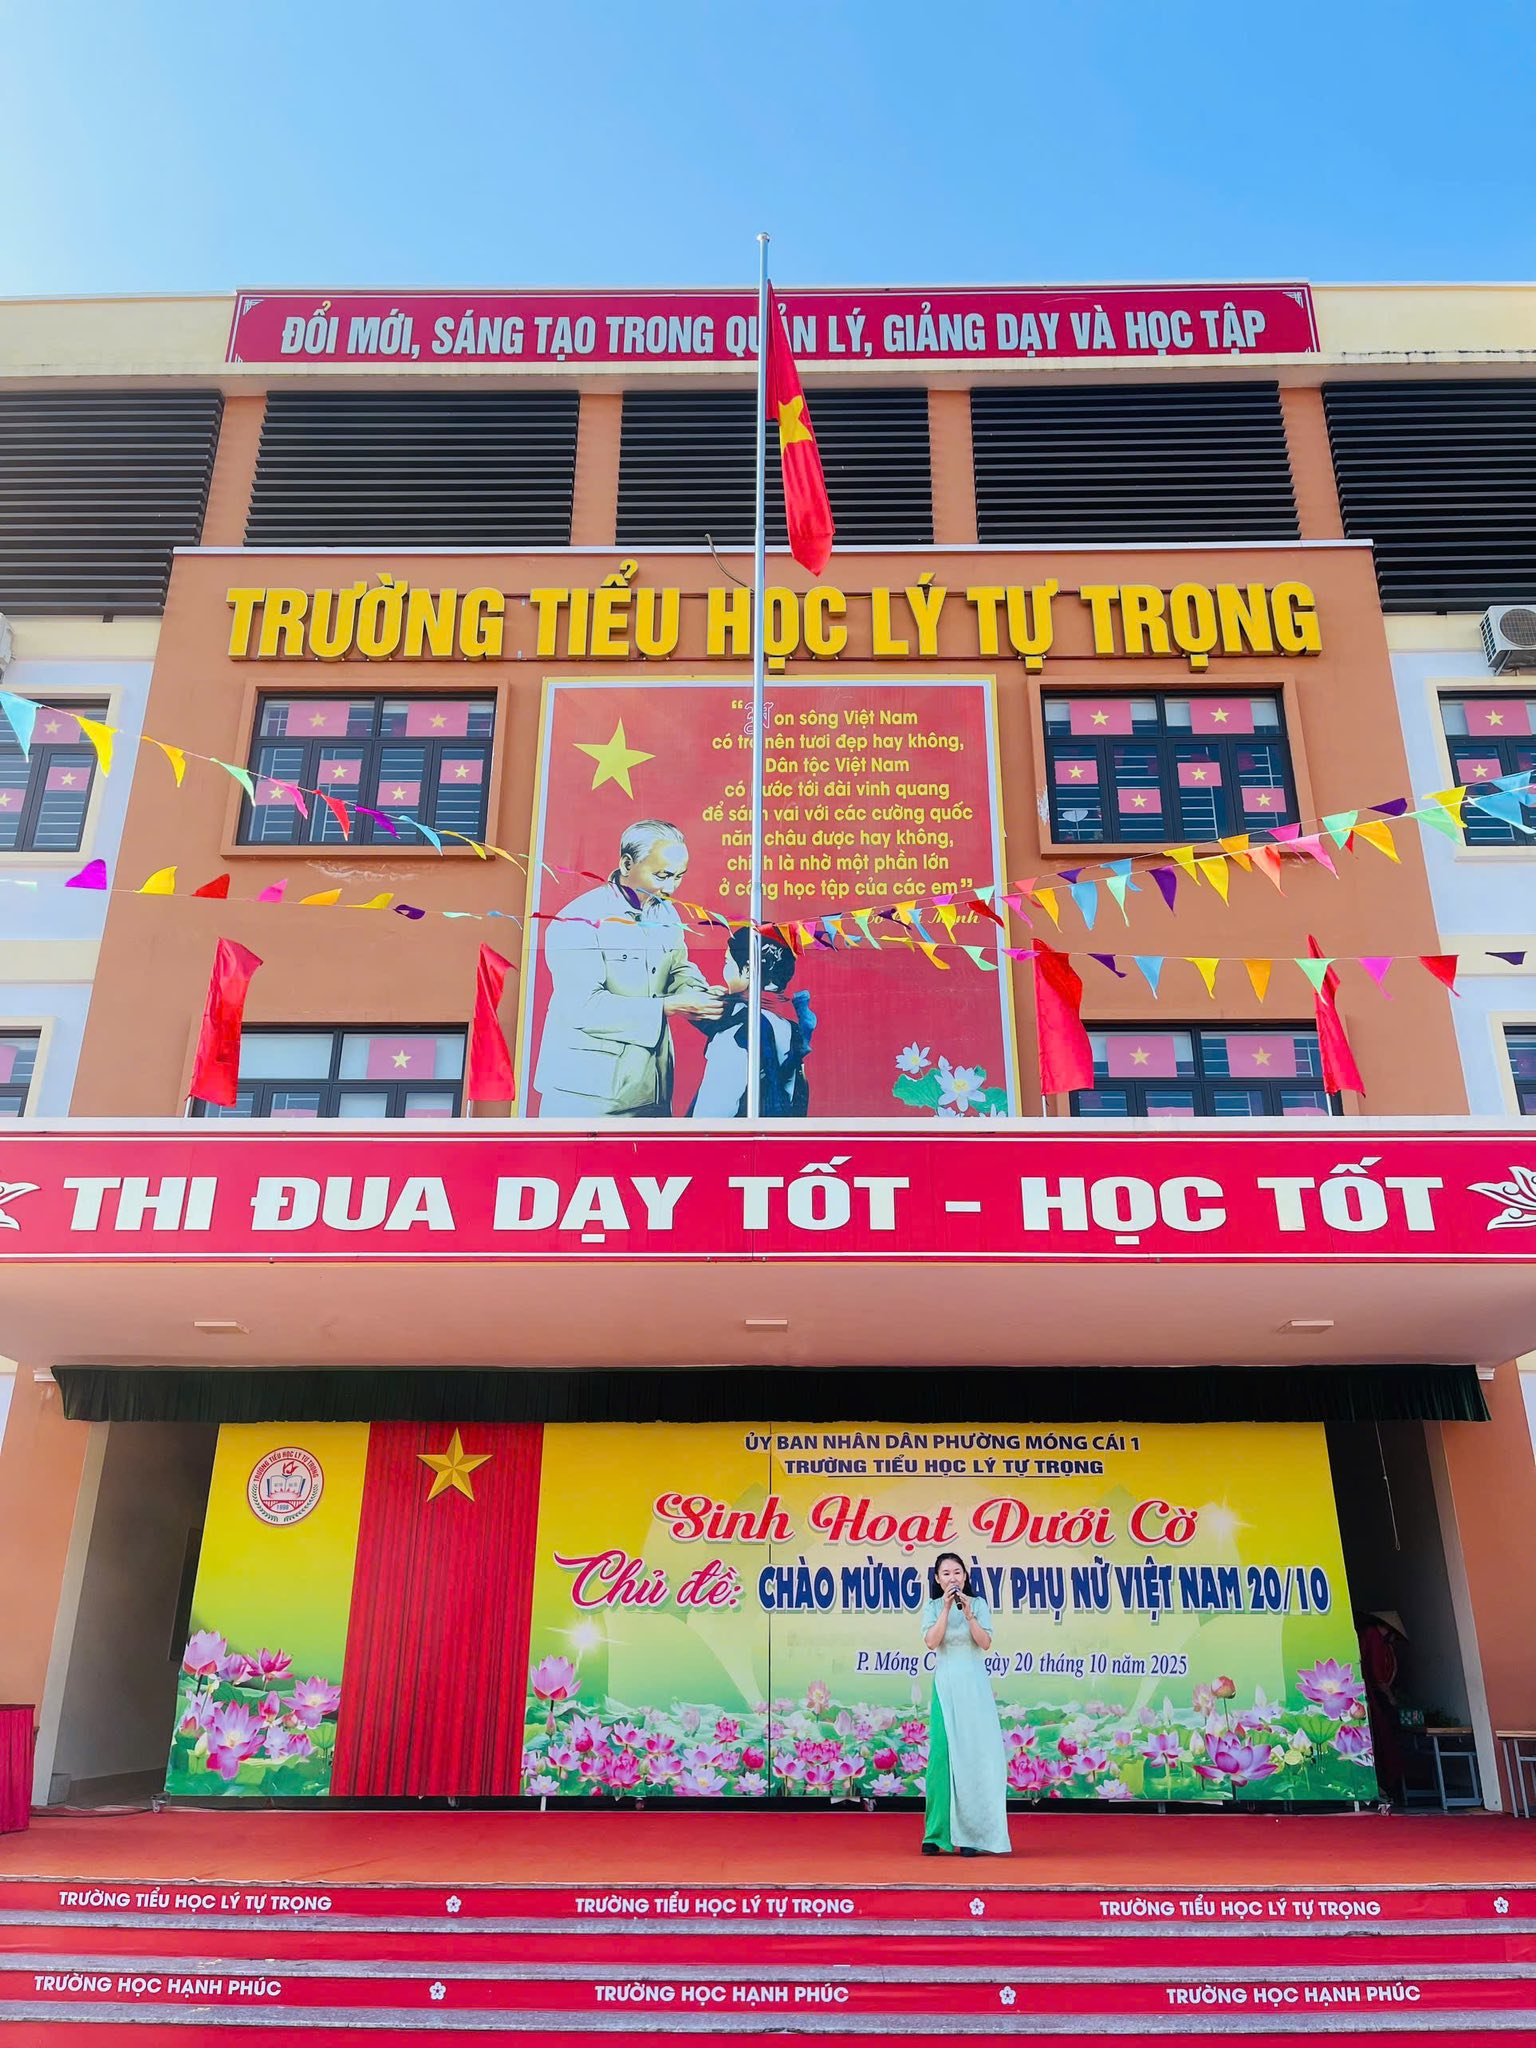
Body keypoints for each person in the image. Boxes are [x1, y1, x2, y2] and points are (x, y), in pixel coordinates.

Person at [534, 820, 728, 1116]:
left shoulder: (665, 911)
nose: (671, 888)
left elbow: (678, 967)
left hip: (652, 1086)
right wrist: (670, 1005)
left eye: (679, 877)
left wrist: (699, 993)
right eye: (662, 876)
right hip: (586, 1096)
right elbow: (583, 1007)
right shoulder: (577, 921)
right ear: (627, 864)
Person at [919, 1552, 1011, 1856]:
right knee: (941, 1761)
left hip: (974, 1689)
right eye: (946, 1573)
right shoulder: (933, 1607)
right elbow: (932, 1642)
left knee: (974, 1759)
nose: (952, 1578)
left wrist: (969, 1614)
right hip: (946, 1688)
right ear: (937, 1579)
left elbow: (984, 1643)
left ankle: (972, 1835)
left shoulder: (979, 1604)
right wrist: (946, 1608)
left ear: (966, 1576)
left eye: (957, 1572)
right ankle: (936, 1834)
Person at [689, 927, 817, 1117]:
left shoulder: (737, 1033)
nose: (725, 970)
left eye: (727, 962)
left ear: (748, 970)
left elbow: (709, 1119)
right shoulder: (789, 1027)